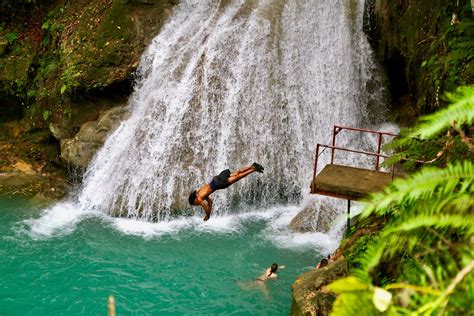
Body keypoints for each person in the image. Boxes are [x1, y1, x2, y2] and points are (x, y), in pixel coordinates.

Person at [188, 162, 264, 221]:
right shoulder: (199, 192)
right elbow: (210, 202)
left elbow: (205, 207)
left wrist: (207, 215)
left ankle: (253, 169)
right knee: (237, 173)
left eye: (195, 204)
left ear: (194, 200)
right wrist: (209, 214)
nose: (197, 204)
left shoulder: (199, 199)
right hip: (215, 179)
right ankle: (252, 166)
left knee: (237, 177)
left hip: (218, 184)